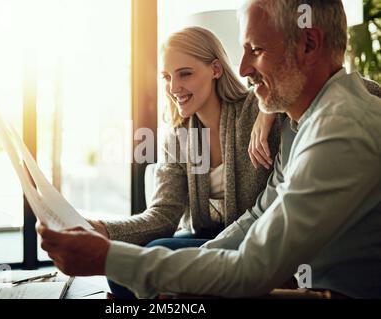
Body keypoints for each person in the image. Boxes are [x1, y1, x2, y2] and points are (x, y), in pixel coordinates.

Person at [38, 0, 381, 298]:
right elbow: (257, 215)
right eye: (167, 77)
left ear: (308, 44)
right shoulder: (299, 124)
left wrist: (108, 258)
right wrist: (197, 260)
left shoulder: (339, 126)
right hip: (282, 268)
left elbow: (253, 268)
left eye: (256, 50)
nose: (244, 68)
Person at [85, 27, 283, 297]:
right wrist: (103, 230)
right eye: (167, 77)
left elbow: (305, 97)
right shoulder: (178, 138)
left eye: (185, 74)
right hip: (208, 240)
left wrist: (270, 109)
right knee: (123, 272)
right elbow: (163, 215)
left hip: (254, 242)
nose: (173, 87)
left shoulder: (255, 110)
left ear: (216, 69)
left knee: (146, 266)